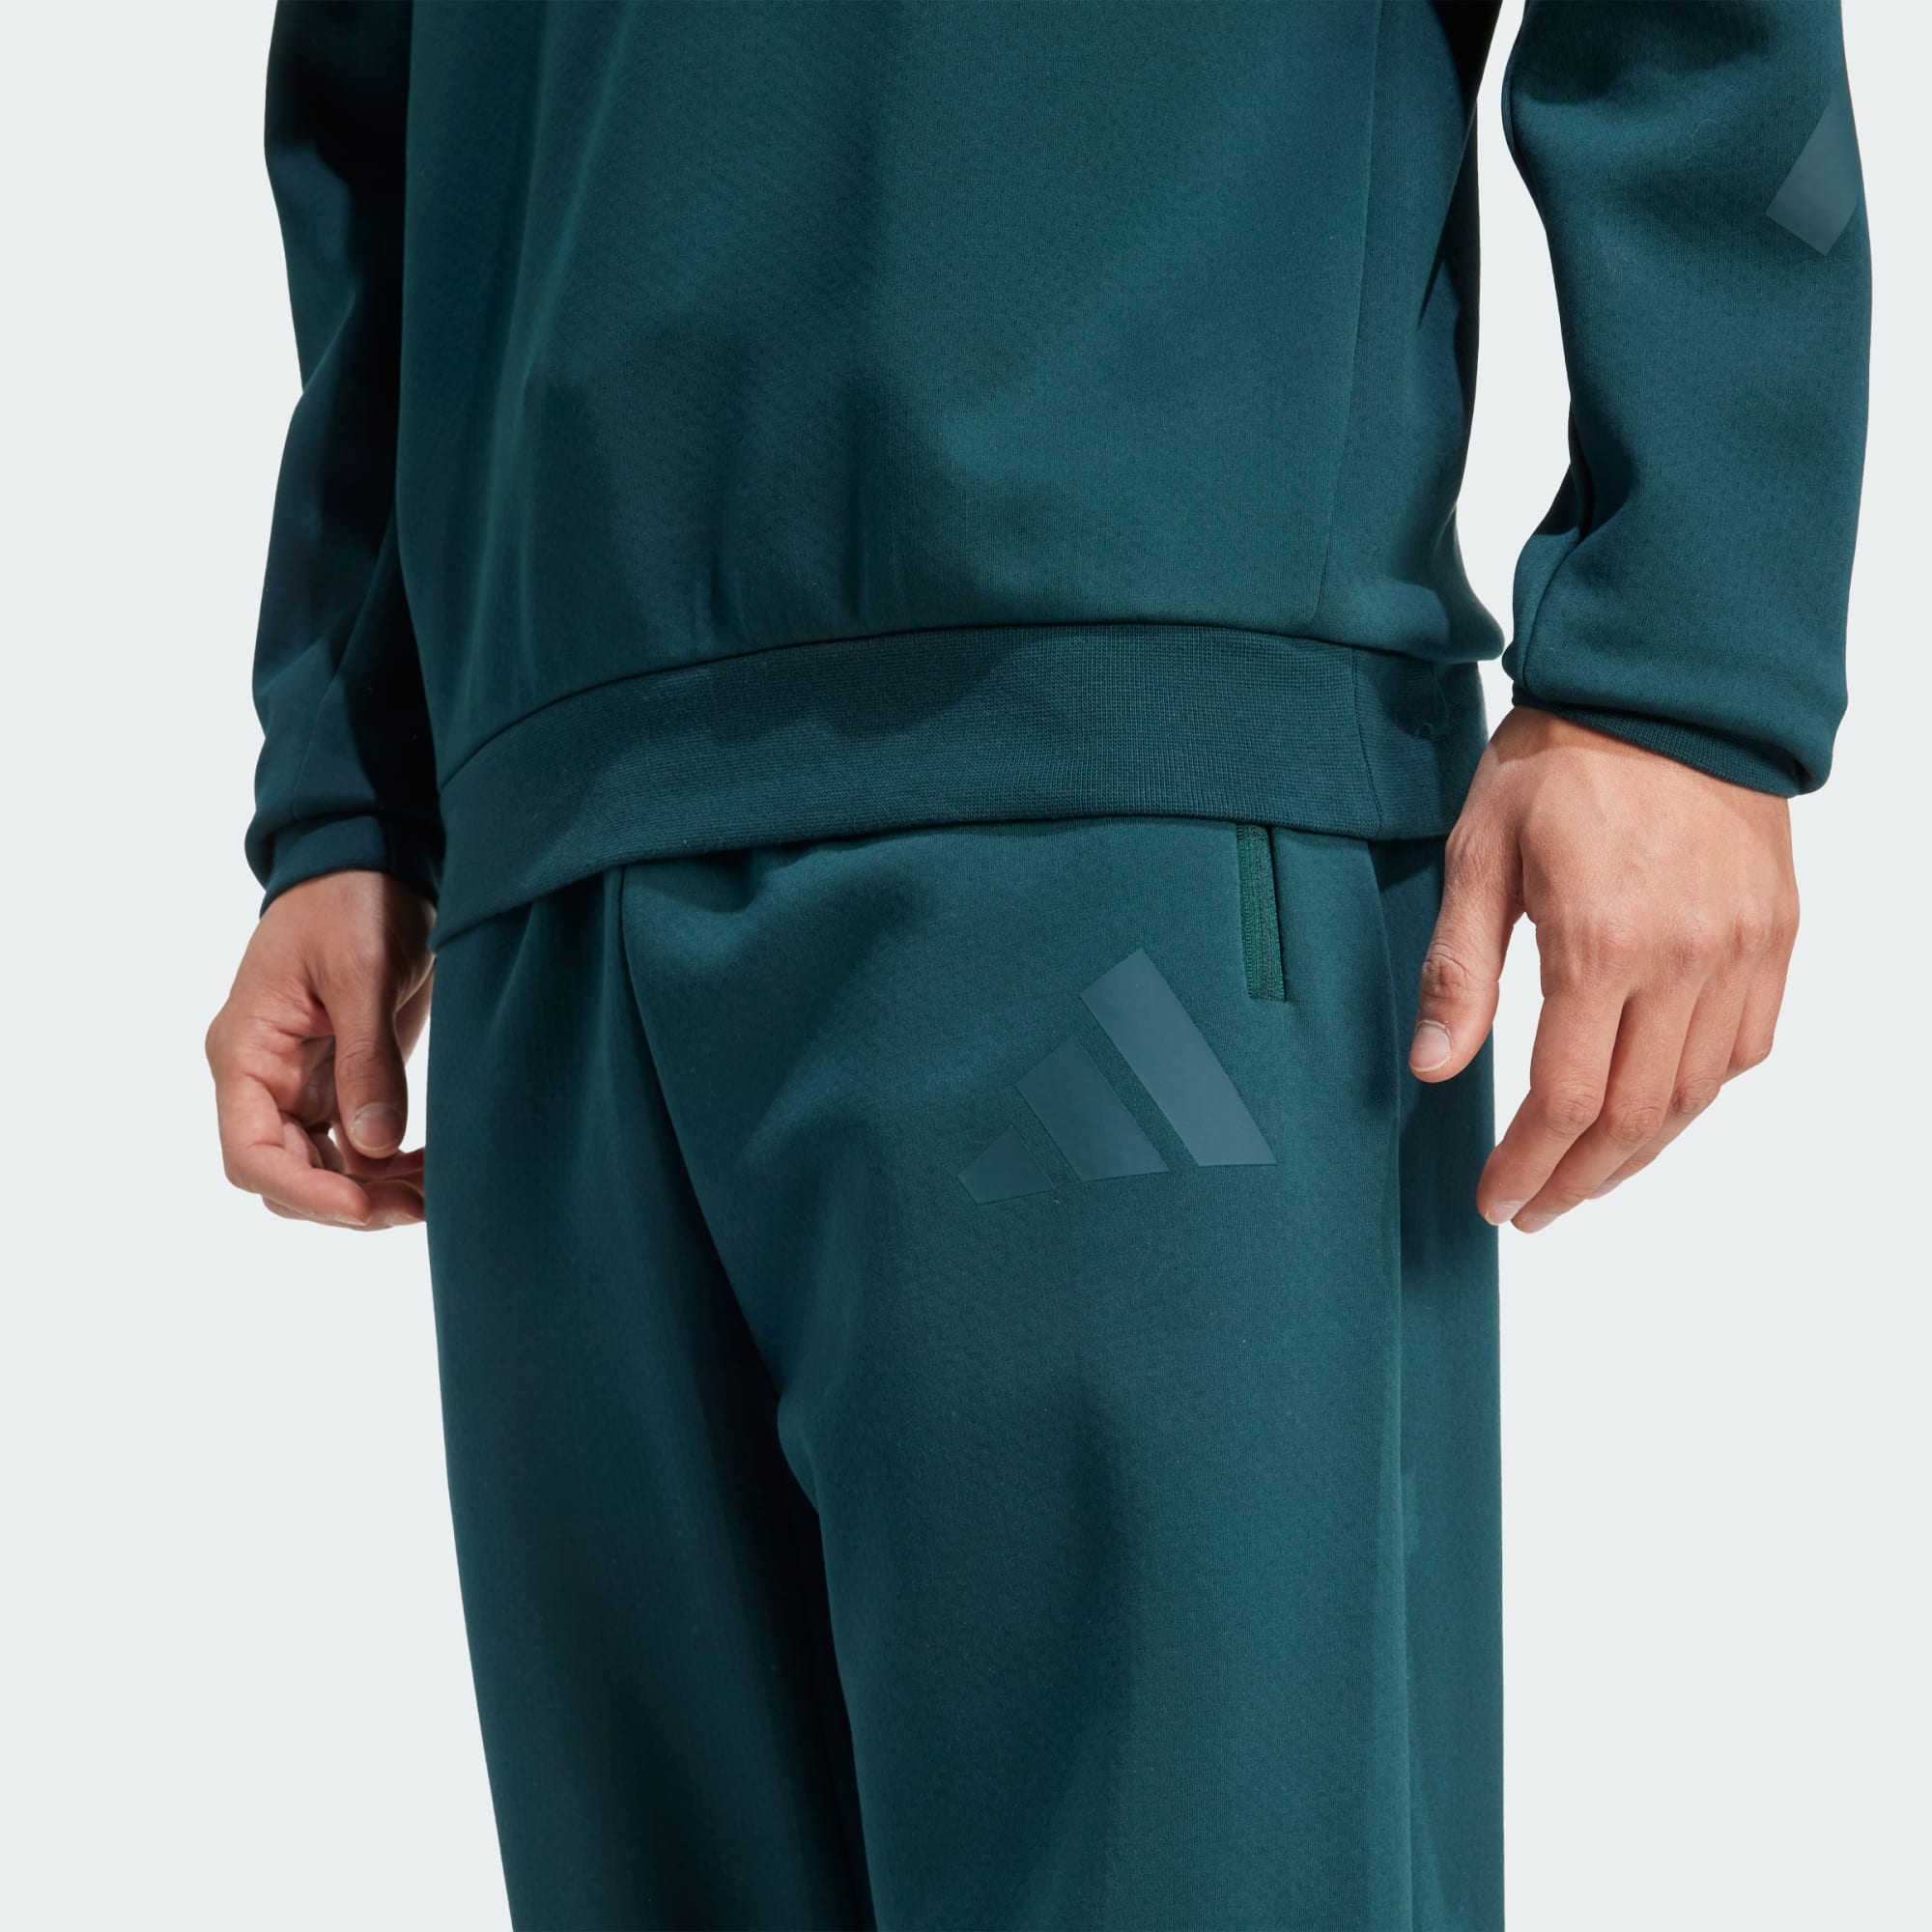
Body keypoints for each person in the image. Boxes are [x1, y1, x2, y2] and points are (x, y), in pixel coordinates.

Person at [204, 4, 1868, 1926]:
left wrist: (1687, 656)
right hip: (549, 848)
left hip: (1124, 785)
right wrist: (355, 788)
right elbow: (370, 104)